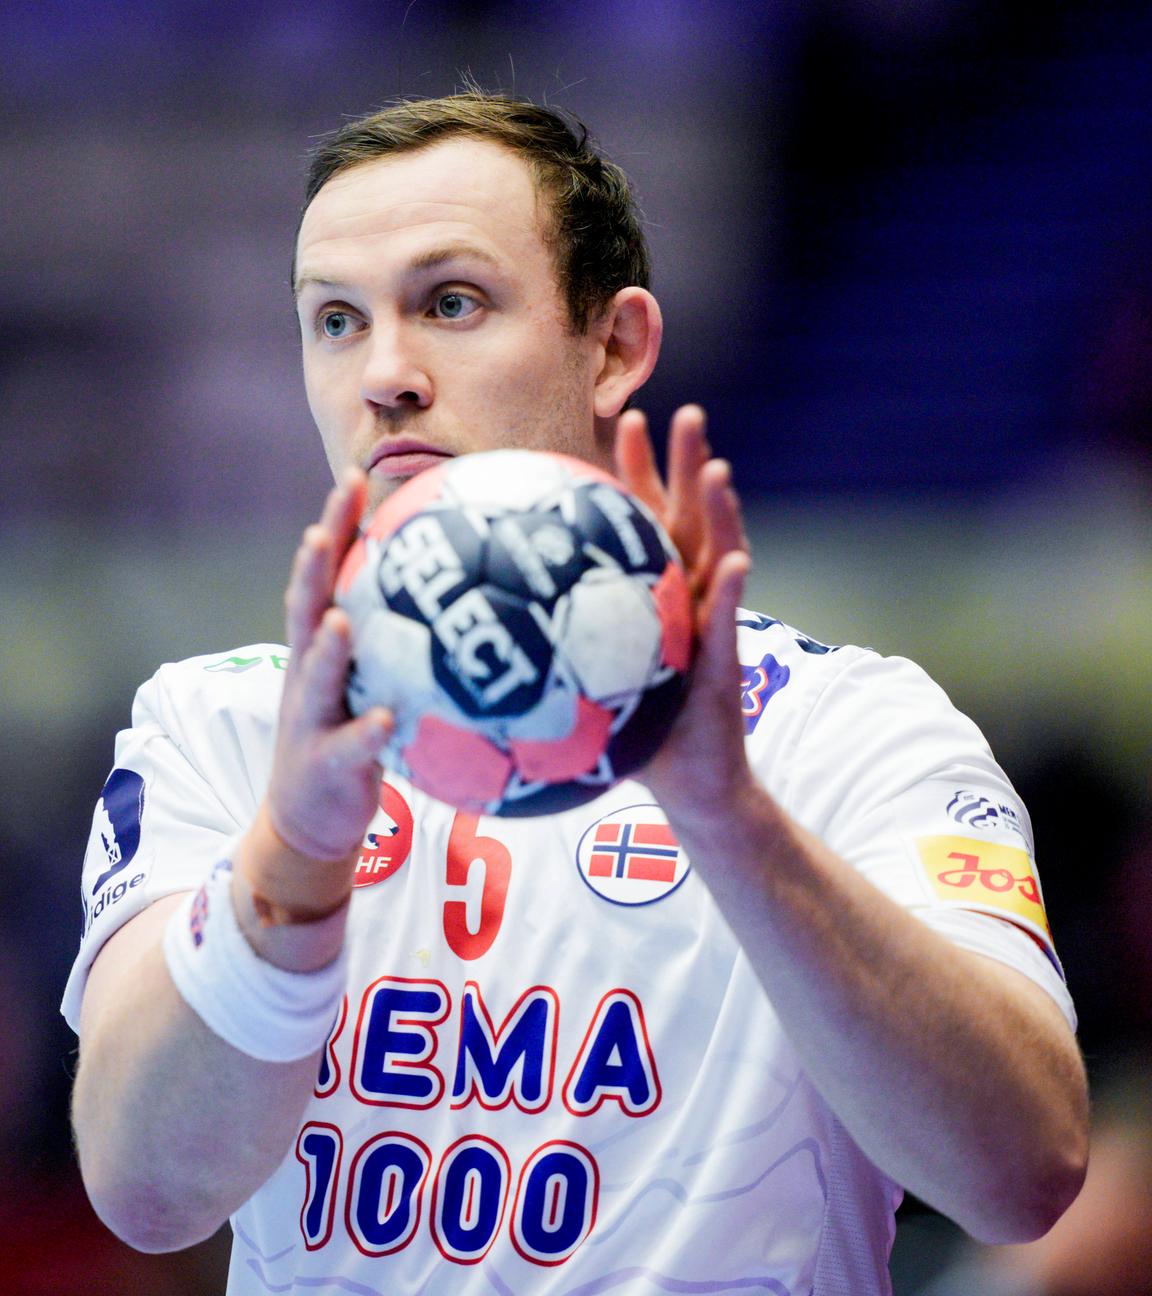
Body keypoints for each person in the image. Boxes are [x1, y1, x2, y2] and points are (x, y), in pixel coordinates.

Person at [64, 93, 1089, 1294]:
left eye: (452, 303)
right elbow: (143, 1193)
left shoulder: (849, 724)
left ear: (615, 347)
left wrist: (727, 813)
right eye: (334, 321)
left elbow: (1023, 1175)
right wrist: (290, 857)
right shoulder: (220, 725)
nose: (385, 374)